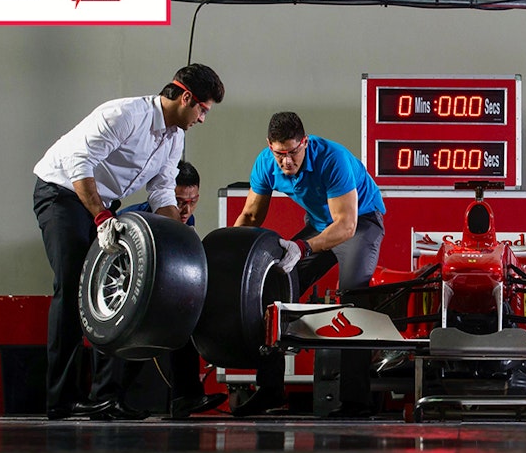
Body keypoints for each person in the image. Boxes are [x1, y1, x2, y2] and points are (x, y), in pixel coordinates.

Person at [33, 63, 224, 420]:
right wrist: (102, 217)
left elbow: (162, 190)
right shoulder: (124, 114)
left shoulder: (175, 136)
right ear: (186, 98)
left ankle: (107, 398)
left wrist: (182, 240)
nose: (202, 119)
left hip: (101, 203)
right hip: (62, 194)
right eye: (203, 109)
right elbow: (80, 162)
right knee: (74, 287)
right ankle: (60, 400)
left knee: (116, 296)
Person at [231, 111, 386, 418]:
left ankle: (356, 402)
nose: (286, 163)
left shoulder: (333, 159)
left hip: (360, 223)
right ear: (269, 147)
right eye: (279, 154)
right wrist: (233, 258)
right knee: (272, 291)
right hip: (318, 224)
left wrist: (302, 247)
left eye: (292, 153)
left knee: (353, 299)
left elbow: (346, 226)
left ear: (305, 142)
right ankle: (270, 390)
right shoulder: (266, 163)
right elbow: (250, 217)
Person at [117, 159, 229, 419]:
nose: (185, 209)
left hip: (160, 297)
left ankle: (185, 397)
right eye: (179, 201)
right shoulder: (133, 219)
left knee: (184, 324)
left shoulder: (186, 221)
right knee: (134, 339)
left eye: (192, 201)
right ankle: (114, 400)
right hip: (128, 300)